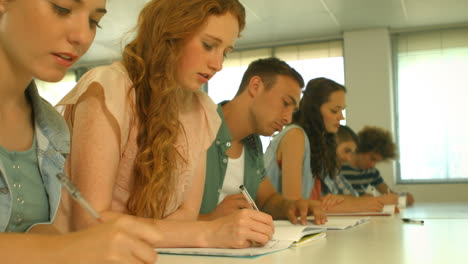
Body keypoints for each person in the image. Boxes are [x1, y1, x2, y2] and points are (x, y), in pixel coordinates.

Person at [55, 0, 274, 249]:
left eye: (225, 52)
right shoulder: (108, 88)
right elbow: (91, 220)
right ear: (169, 35)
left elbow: (187, 214)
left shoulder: (203, 110)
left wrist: (192, 231)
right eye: (208, 45)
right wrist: (207, 233)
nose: (218, 64)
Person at [0, 0, 160, 263]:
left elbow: (37, 231)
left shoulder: (52, 127)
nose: (83, 37)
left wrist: (49, 237)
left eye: (93, 22)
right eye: (62, 8)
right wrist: (65, 249)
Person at [198, 57, 331, 225]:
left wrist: (291, 206)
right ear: (255, 87)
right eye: (285, 103)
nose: (288, 118)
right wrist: (211, 221)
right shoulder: (196, 126)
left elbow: (267, 200)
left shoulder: (253, 143)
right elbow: (160, 216)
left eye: (293, 110)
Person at [264, 78, 390, 213]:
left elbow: (323, 200)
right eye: (335, 111)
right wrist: (357, 205)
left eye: (342, 110)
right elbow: (295, 206)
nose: (341, 117)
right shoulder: (295, 135)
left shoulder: (317, 145)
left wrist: (340, 201)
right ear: (315, 111)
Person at [340, 126, 415, 206]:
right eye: (372, 159)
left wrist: (402, 198)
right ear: (360, 149)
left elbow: (388, 193)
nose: (373, 165)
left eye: (376, 161)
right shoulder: (339, 168)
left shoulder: (372, 172)